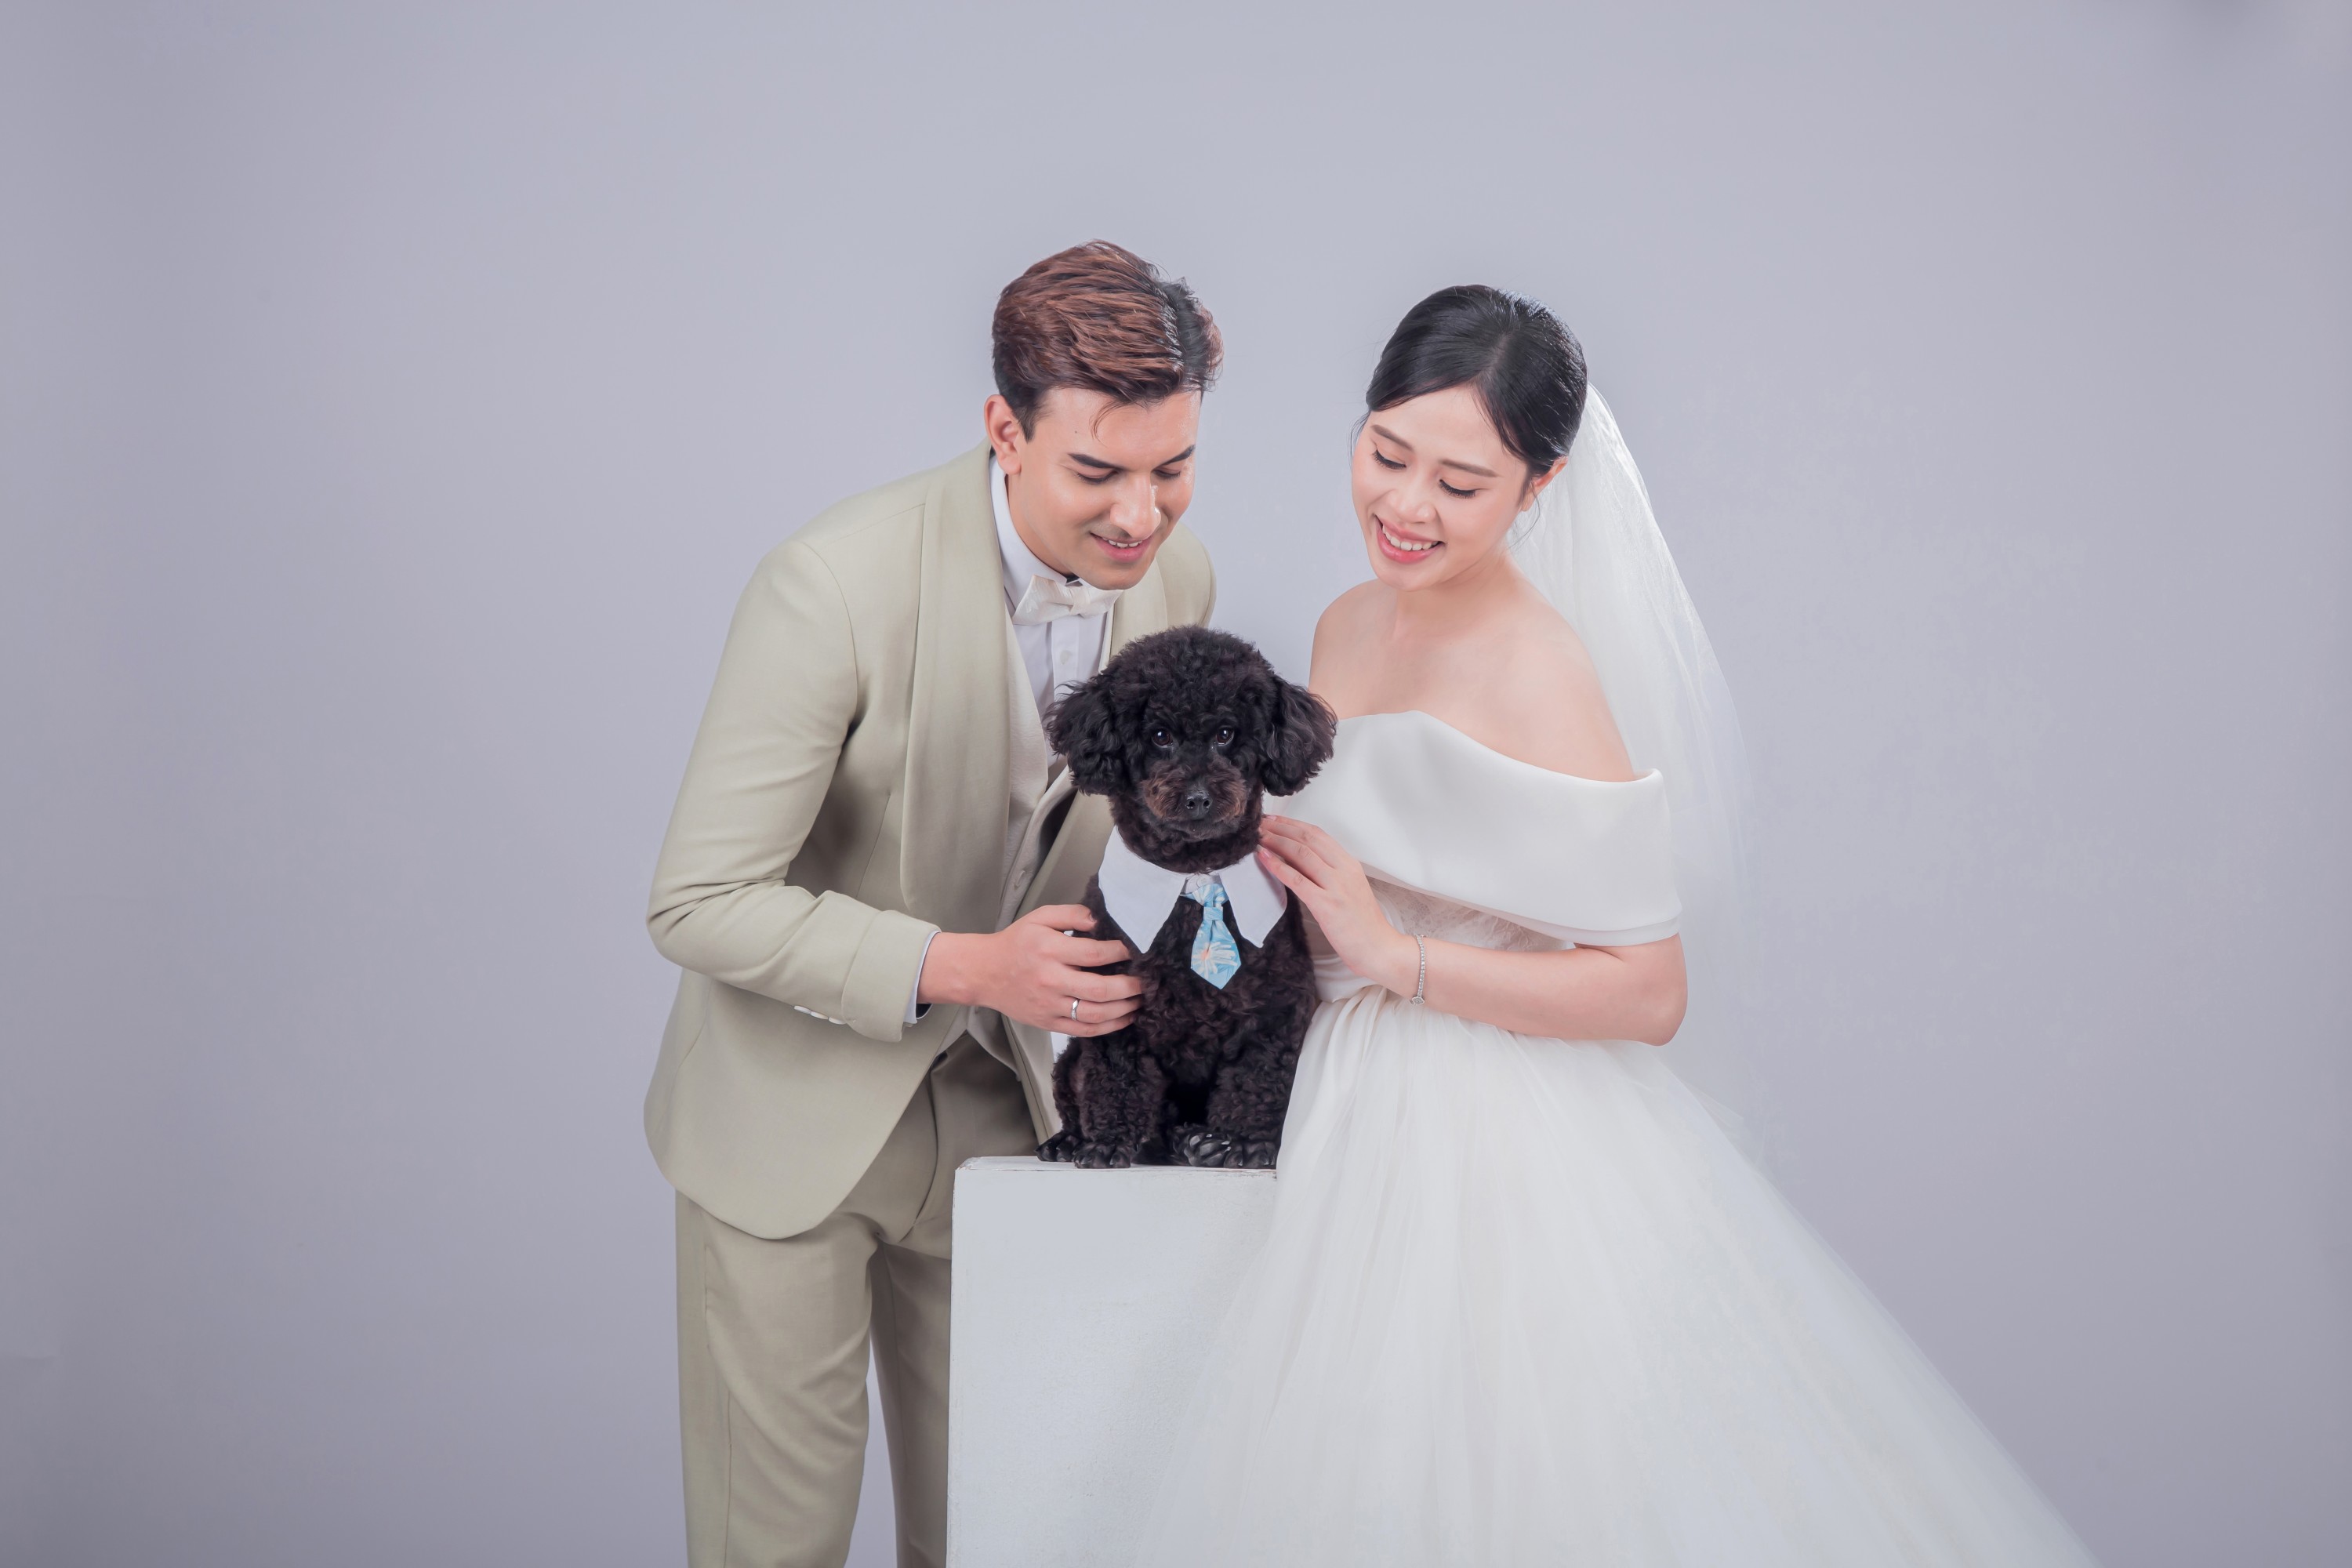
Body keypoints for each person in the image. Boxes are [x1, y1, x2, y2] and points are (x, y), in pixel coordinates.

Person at [1134, 286, 2100, 1565]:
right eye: (1387, 453)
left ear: (1539, 487)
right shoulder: (1344, 624)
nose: (1407, 506)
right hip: (1338, 1092)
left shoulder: (1540, 666)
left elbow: (1650, 991)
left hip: (1484, 1124)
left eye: (1461, 484)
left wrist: (1393, 955)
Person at [644, 241, 1219, 1568]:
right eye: (1098, 472)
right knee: (774, 1551)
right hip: (786, 1123)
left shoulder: (1180, 582)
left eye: (1174, 469)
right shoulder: (830, 584)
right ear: (1004, 431)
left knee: (997, 1536)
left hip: (1011, 1124)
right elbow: (698, 900)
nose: (1141, 516)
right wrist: (969, 966)